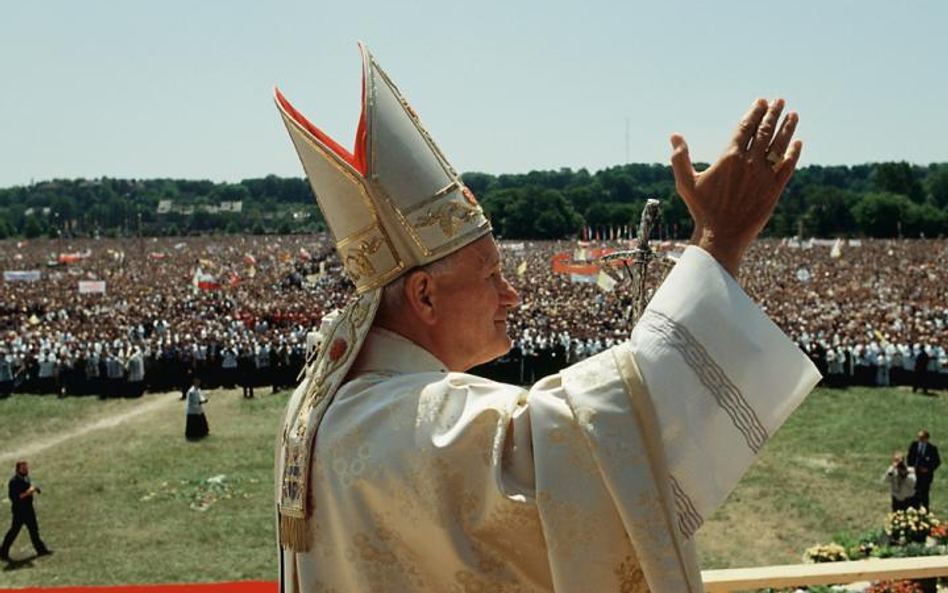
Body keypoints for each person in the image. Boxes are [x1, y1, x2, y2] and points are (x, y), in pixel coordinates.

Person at [272, 44, 819, 593]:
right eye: (490, 276)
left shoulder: (332, 406)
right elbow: (608, 447)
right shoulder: (411, 419)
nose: (510, 296)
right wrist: (720, 238)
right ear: (425, 296)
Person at [0, 461, 51, 561]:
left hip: (28, 510)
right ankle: (3, 551)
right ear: (18, 469)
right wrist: (29, 492)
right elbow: (16, 497)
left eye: (26, 468)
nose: (26, 470)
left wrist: (33, 489)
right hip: (19, 512)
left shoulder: (26, 478)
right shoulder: (14, 482)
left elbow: (28, 489)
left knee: (34, 531)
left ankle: (41, 550)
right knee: (14, 531)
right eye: (23, 469)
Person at [907, 429, 940, 510]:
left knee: (924, 494)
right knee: (913, 493)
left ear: (926, 438)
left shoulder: (932, 449)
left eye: (922, 438)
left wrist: (928, 469)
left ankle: (925, 512)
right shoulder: (914, 445)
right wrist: (911, 467)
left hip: (925, 475)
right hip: (914, 473)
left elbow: (937, 462)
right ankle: (913, 510)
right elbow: (909, 457)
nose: (920, 439)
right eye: (919, 437)